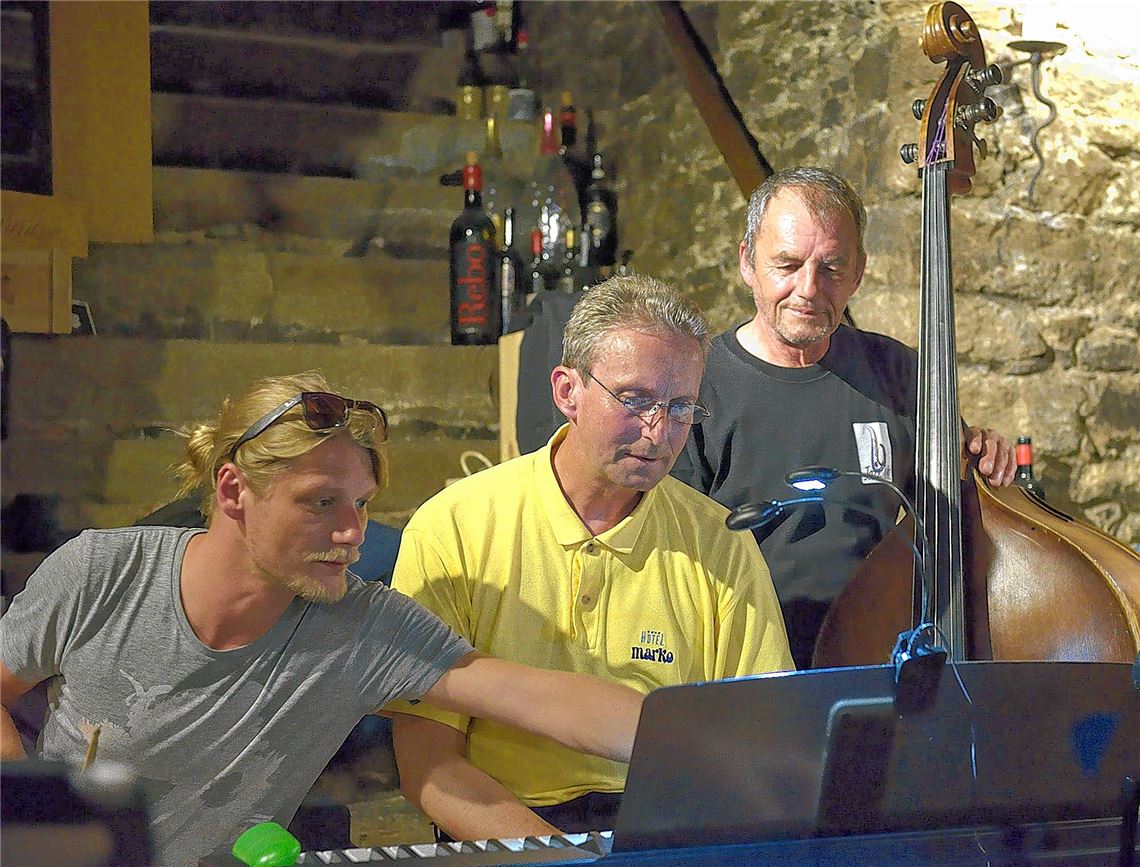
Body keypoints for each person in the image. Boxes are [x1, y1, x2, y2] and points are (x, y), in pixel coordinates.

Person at [0, 371, 644, 867]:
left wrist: (708, 736)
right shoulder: (102, 571)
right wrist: (28, 820)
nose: (351, 532)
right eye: (321, 502)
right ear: (232, 492)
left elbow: (535, 696)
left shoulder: (363, 626)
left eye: (361, 504)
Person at [388, 276, 793, 841]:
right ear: (566, 391)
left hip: (665, 829)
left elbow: (762, 745)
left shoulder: (720, 542)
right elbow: (428, 765)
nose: (657, 433)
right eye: (634, 400)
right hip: (502, 829)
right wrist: (556, 857)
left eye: (680, 408)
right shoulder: (454, 526)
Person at [671, 166, 1016, 670]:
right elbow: (670, 556)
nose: (809, 288)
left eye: (831, 268)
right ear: (747, 263)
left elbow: (957, 516)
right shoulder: (697, 384)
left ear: (858, 271)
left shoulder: (898, 374)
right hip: (738, 664)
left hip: (874, 662)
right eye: (786, 265)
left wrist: (985, 462)